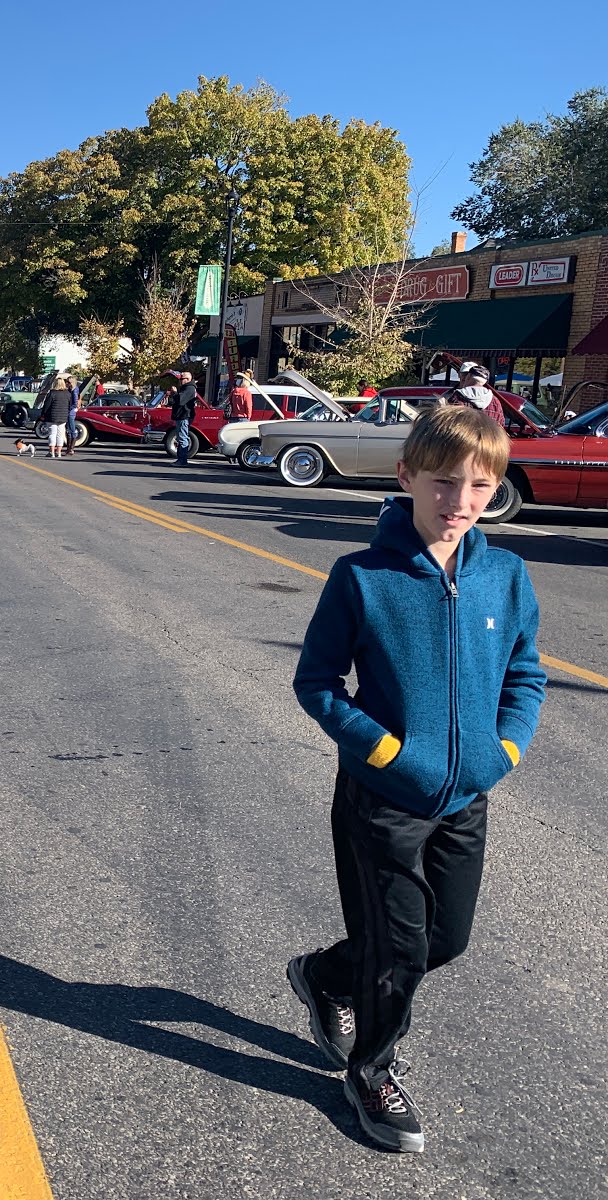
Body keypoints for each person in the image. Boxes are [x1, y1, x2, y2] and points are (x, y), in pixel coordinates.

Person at [287, 406, 545, 1154]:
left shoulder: (505, 576)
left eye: (479, 486)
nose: (460, 501)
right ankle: (372, 1071)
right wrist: (386, 754)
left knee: (445, 939)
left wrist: (505, 749)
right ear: (406, 477)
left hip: (467, 795)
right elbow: (318, 684)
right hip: (384, 799)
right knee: (397, 948)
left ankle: (325, 975)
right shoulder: (362, 577)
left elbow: (525, 674)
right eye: (443, 482)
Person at [169, 370, 198, 466]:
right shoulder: (186, 388)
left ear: (188, 379)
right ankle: (180, 459)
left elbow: (181, 400)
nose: (180, 381)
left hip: (184, 416)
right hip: (181, 415)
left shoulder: (190, 388)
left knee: (182, 438)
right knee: (180, 437)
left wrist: (175, 393)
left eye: (182, 379)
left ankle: (182, 460)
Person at [41, 375, 74, 458]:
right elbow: (69, 406)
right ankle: (58, 452)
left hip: (52, 417)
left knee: (52, 434)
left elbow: (46, 405)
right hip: (63, 417)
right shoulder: (67, 394)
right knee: (60, 435)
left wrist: (43, 414)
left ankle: (51, 452)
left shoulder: (52, 393)